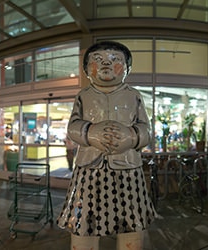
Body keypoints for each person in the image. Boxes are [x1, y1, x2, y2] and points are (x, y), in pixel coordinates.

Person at [57, 41, 154, 250]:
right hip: (89, 170)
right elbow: (73, 126)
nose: (106, 64)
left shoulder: (134, 95)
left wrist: (131, 136)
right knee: (84, 223)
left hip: (128, 169)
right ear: (86, 69)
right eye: (98, 60)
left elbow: (146, 129)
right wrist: (91, 133)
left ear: (127, 68)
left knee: (131, 224)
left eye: (115, 60)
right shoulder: (83, 95)